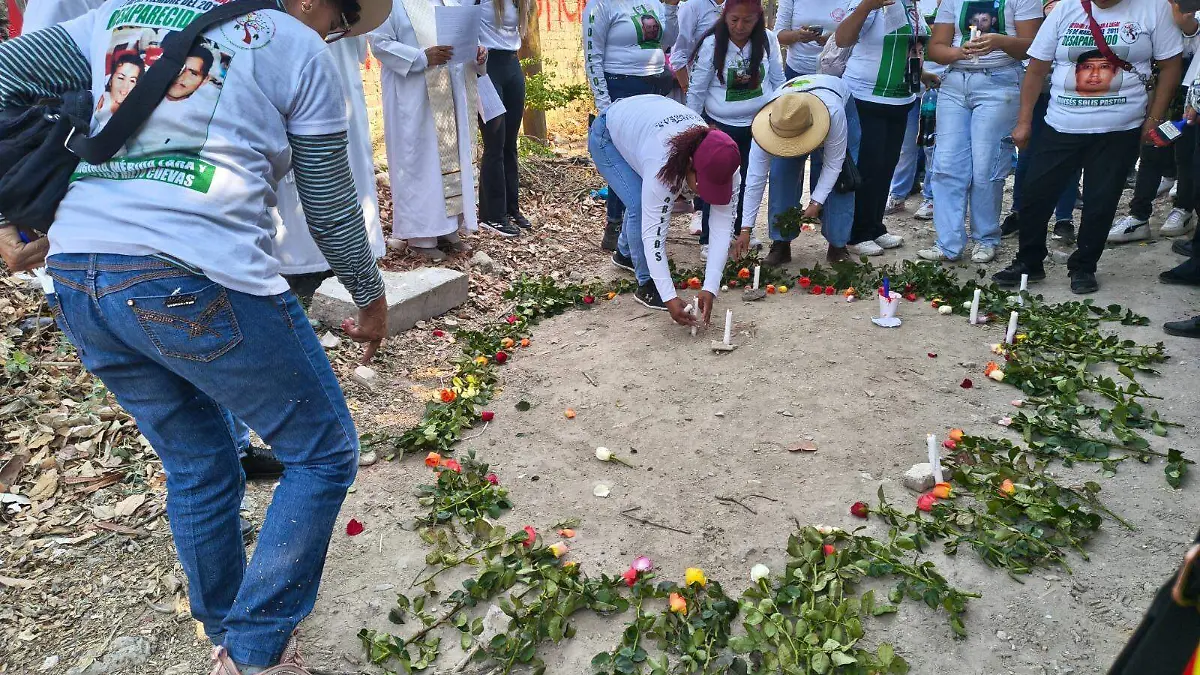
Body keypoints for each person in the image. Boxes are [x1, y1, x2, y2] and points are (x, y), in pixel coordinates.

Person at [0, 0, 391, 672]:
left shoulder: (119, 16)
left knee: (200, 460)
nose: (337, 32)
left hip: (79, 277)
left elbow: (8, 72)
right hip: (193, 276)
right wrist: (370, 296)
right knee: (324, 451)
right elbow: (329, 205)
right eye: (343, 14)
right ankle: (255, 650)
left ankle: (227, 634)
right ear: (306, 1)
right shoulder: (298, 48)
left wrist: (15, 209)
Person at [992, 0, 1183, 294]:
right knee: (1035, 195)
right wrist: (1024, 121)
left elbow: (1171, 66)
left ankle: (1084, 266)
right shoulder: (1066, 9)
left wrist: (1154, 118)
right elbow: (1036, 69)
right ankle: (1029, 261)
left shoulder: (1153, 8)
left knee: (1101, 202)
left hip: (1119, 129)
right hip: (1061, 124)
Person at [589, 94, 741, 314]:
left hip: (646, 120)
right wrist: (669, 295)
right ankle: (647, 284)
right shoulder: (663, 161)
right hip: (608, 135)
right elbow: (654, 233)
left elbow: (722, 225)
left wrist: (711, 286)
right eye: (703, 185)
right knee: (640, 206)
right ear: (689, 164)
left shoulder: (726, 160)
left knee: (644, 199)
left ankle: (624, 254)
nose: (704, 195)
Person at [917, 0, 1040, 264]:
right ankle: (948, 243)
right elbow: (936, 49)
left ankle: (985, 238)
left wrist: (1000, 41)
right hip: (955, 82)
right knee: (946, 164)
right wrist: (958, 52)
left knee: (986, 166)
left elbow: (1035, 46)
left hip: (1001, 81)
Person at [369, 0, 484, 256]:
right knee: (420, 163)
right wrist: (421, 56)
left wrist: (476, 53)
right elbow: (379, 43)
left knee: (448, 160)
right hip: (412, 95)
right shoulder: (391, 4)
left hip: (449, 93)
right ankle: (421, 238)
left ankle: (448, 229)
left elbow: (461, 40)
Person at [686, 0, 782, 260]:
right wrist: (696, 132)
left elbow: (778, 80)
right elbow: (696, 90)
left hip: (759, 125)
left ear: (758, 19)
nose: (740, 27)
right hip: (720, 126)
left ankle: (743, 230)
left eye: (748, 21)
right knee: (717, 180)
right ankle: (710, 236)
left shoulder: (768, 40)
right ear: (724, 17)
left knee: (750, 180)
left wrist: (781, 111)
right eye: (734, 20)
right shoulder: (711, 44)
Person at [835, 0, 930, 256]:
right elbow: (842, 39)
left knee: (886, 165)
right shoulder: (871, 3)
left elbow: (910, 48)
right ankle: (856, 234)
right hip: (866, 97)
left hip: (901, 99)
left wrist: (923, 75)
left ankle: (875, 227)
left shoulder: (914, 6)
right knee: (867, 166)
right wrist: (867, 6)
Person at [583, 0, 679, 251]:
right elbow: (592, 58)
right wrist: (606, 109)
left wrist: (670, 8)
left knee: (650, 156)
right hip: (620, 86)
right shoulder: (600, 6)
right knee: (622, 159)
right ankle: (615, 224)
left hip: (655, 86)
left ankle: (641, 226)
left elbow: (667, 41)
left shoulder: (652, 2)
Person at [1109, 5, 1200, 244]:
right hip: (1155, 84)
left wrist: (1188, 25)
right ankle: (1139, 215)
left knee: (1186, 149)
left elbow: (1192, 42)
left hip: (1187, 88)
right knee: (1152, 144)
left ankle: (1184, 208)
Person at [745, 73, 858, 265]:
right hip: (791, 107)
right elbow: (755, 179)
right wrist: (745, 229)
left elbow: (833, 164)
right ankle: (780, 243)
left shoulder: (834, 112)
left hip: (834, 101)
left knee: (842, 179)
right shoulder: (768, 122)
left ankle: (838, 246)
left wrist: (816, 202)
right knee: (781, 176)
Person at [477, 0, 534, 236]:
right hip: (486, 68)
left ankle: (511, 208)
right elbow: (456, 18)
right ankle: (492, 215)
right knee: (495, 142)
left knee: (510, 142)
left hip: (512, 63)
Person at [670, 0, 722, 236]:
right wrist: (692, 93)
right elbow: (678, 55)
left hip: (728, 96)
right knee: (703, 153)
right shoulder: (692, 7)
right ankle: (699, 210)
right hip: (699, 94)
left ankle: (731, 220)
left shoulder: (738, 5)